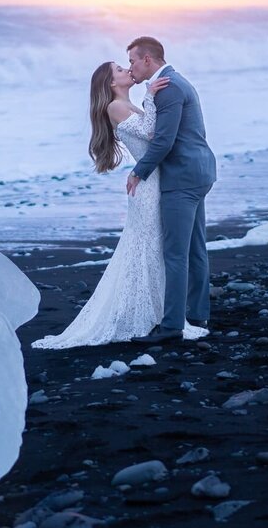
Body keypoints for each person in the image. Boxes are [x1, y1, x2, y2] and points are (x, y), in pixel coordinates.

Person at [31, 60, 208, 348]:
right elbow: (152, 135)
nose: (127, 70)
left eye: (126, 66)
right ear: (112, 83)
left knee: (157, 249)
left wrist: (149, 99)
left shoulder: (128, 103)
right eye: (120, 70)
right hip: (148, 186)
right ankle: (141, 315)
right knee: (147, 248)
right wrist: (151, 97)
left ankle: (158, 313)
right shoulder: (115, 106)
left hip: (158, 179)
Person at [125, 36, 217, 344]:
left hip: (184, 176)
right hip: (199, 171)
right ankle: (197, 313)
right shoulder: (171, 83)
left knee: (175, 253)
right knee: (194, 247)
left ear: (148, 60)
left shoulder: (170, 87)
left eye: (133, 61)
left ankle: (172, 326)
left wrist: (139, 171)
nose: (131, 68)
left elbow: (163, 140)